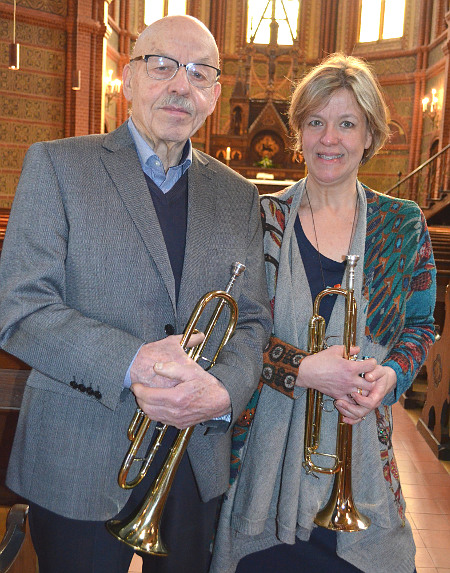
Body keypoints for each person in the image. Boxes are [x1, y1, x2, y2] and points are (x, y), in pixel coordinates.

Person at [0, 15, 272, 573]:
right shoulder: (58, 165)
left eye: (199, 73)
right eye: (162, 65)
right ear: (128, 78)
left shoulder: (240, 195)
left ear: (214, 96)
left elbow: (251, 321)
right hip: (79, 450)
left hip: (195, 458)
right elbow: (21, 308)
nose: (180, 85)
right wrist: (134, 361)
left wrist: (224, 392)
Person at [210, 53, 436, 573]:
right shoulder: (263, 216)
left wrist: (391, 375)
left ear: (369, 135)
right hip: (261, 465)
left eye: (346, 123)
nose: (328, 138)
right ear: (299, 132)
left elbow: (421, 325)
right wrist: (301, 369)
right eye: (315, 122)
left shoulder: (401, 225)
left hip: (359, 469)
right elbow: (230, 331)